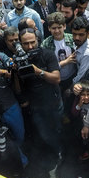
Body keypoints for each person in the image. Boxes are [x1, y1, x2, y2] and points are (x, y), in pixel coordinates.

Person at [17, 27, 65, 160]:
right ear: (20, 44)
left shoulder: (48, 54)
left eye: (32, 42)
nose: (30, 46)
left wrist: (38, 71)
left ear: (38, 40)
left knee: (58, 128)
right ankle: (52, 150)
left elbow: (57, 78)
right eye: (26, 44)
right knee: (44, 132)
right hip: (36, 105)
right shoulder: (19, 59)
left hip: (53, 102)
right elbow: (18, 86)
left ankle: (61, 151)